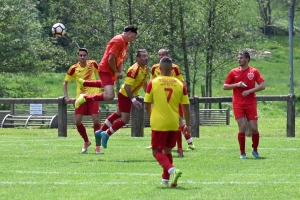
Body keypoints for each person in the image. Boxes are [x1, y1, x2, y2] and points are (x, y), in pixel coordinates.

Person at [144, 56, 191, 187]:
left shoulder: (153, 82)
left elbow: (147, 103)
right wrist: (188, 125)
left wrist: (152, 116)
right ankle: (165, 180)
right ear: (172, 69)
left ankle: (172, 170)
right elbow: (186, 107)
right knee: (168, 151)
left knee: (156, 151)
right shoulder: (180, 84)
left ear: (159, 68)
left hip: (159, 123)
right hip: (174, 122)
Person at [95, 49, 149, 149]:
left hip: (127, 94)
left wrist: (149, 95)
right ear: (138, 58)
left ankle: (100, 131)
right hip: (125, 95)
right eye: (143, 56)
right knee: (125, 120)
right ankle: (106, 134)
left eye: (146, 56)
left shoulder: (145, 68)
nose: (146, 58)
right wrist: (134, 100)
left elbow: (144, 83)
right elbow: (128, 87)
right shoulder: (134, 69)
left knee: (117, 114)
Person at [74, 25, 138, 108]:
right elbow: (111, 59)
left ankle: (84, 83)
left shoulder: (125, 43)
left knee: (106, 85)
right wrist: (115, 71)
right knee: (110, 95)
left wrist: (120, 71)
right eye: (134, 36)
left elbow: (120, 59)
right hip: (106, 70)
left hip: (111, 70)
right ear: (129, 32)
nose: (134, 38)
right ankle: (85, 97)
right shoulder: (119, 40)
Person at [146, 49, 195, 157]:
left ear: (167, 55)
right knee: (174, 124)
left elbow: (182, 82)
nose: (160, 56)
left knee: (179, 123)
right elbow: (151, 82)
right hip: (161, 97)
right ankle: (174, 150)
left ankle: (180, 148)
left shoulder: (175, 68)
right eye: (159, 54)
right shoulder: (154, 68)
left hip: (174, 98)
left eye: (162, 54)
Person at [223, 51, 265, 159]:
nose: (239, 60)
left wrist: (250, 91)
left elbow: (262, 85)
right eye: (238, 58)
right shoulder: (233, 72)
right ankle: (242, 153)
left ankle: (255, 150)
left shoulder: (254, 71)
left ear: (247, 59)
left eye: (241, 58)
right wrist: (237, 84)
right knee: (242, 126)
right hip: (238, 103)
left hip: (251, 103)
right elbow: (225, 86)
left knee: (254, 128)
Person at [63, 48, 102, 154]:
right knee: (77, 121)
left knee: (96, 120)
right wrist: (66, 96)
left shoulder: (93, 64)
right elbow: (65, 83)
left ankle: (98, 146)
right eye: (80, 55)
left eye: (84, 55)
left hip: (94, 96)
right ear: (77, 56)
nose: (82, 57)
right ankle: (86, 141)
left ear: (87, 56)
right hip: (81, 98)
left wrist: (103, 85)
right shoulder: (73, 68)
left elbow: (102, 74)